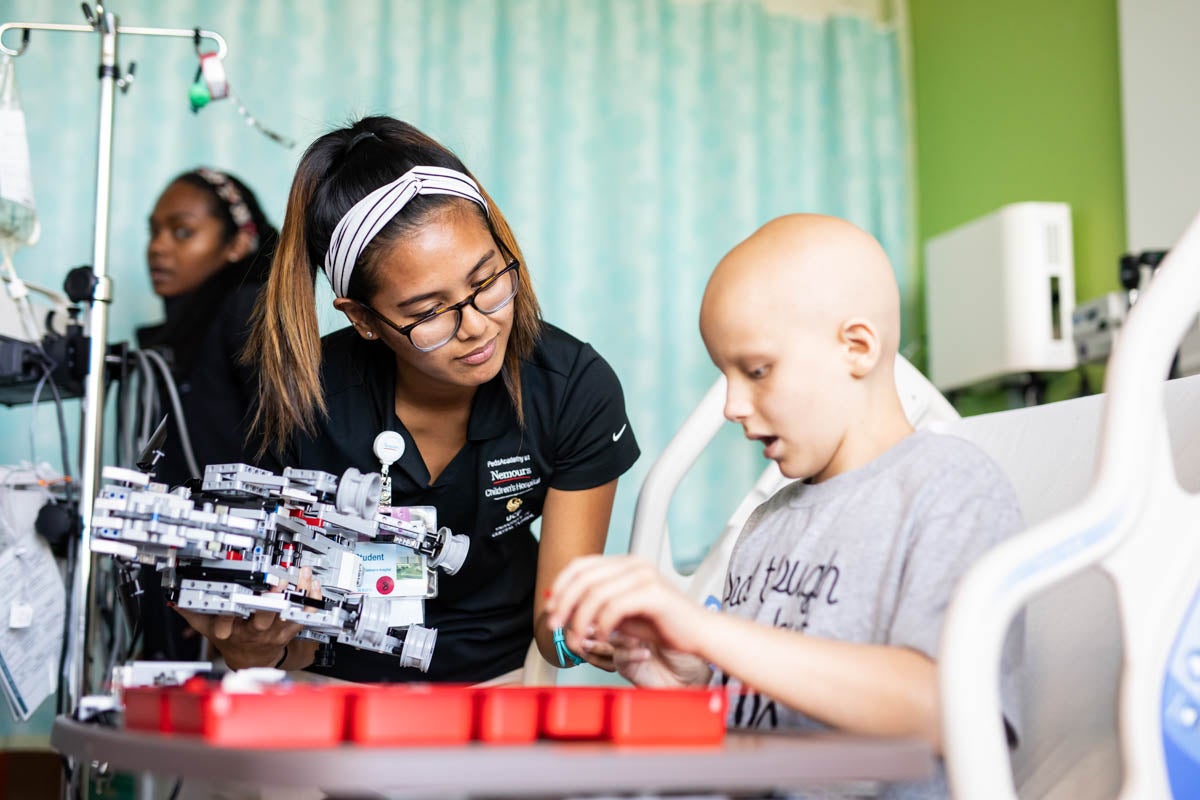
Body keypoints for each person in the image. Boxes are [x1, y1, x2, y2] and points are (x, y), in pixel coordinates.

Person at [546, 214, 1023, 799]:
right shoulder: (767, 522)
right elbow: (756, 728)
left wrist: (704, 630)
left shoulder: (949, 488)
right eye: (726, 376)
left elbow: (946, 709)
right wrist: (686, 682)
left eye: (756, 371)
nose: (732, 405)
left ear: (857, 347)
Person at [176, 116, 641, 684]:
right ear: (365, 319)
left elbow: (556, 628)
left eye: (488, 280)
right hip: (331, 687)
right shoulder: (305, 400)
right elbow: (268, 644)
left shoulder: (570, 388)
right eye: (428, 312)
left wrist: (593, 636)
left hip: (499, 681)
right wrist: (254, 646)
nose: (476, 326)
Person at [135, 168, 278, 660]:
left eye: (182, 231)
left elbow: (284, 446)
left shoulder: (247, 309)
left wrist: (234, 581)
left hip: (224, 569)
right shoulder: (176, 336)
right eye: (153, 231)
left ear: (238, 244)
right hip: (174, 552)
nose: (158, 247)